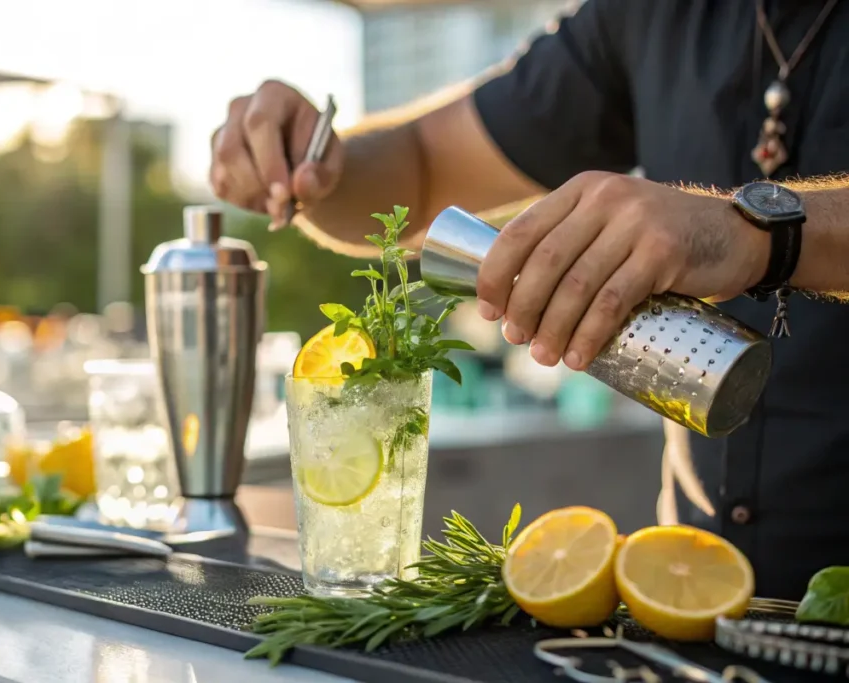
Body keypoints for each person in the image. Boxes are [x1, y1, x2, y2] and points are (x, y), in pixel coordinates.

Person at [210, 0, 849, 601]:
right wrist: (309, 164)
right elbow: (424, 166)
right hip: (696, 599)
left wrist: (758, 231)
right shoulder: (648, 14)